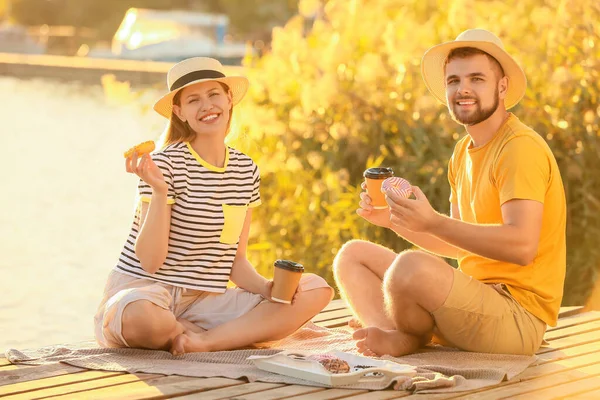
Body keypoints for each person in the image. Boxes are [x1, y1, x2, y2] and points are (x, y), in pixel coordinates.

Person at [333, 29, 566, 357]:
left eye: (476, 78)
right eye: (453, 81)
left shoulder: (519, 148)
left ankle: (406, 335)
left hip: (515, 318)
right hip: (470, 301)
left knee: (408, 268)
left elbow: (523, 246)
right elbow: (458, 247)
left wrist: (432, 222)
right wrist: (394, 220)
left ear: (502, 86)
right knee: (352, 255)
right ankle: (395, 334)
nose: (463, 89)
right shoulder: (463, 152)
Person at [94, 57, 333, 355]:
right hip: (144, 292)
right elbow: (150, 262)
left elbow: (235, 261)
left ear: (229, 99)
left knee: (315, 289)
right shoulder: (163, 164)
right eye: (193, 100)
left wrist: (266, 287)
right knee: (145, 319)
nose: (206, 106)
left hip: (205, 301)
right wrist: (158, 192)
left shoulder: (245, 170)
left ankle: (203, 341)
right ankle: (211, 333)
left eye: (214, 95)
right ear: (179, 112)